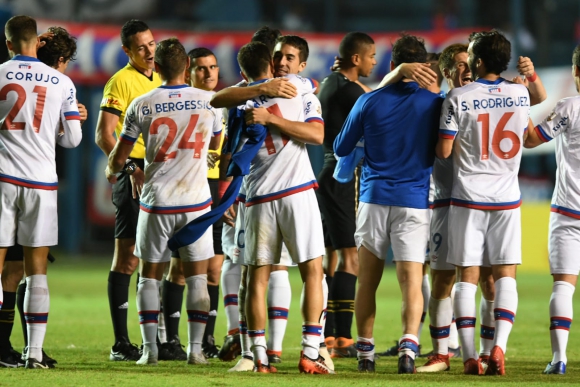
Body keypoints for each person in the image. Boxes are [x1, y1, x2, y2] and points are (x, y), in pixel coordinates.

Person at [417, 44, 547, 373]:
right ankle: (497, 347)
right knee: (504, 278)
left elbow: (444, 151)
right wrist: (529, 78)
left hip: (467, 198)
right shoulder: (518, 94)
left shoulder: (457, 100)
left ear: (477, 61)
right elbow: (534, 108)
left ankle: (472, 356)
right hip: (506, 199)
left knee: (468, 278)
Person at [106, 37, 223, 366]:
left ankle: (149, 351)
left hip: (157, 201)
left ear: (156, 68)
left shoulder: (142, 104)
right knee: (198, 277)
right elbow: (215, 145)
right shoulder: (209, 101)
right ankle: (196, 350)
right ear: (187, 66)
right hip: (196, 203)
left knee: (149, 276)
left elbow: (119, 158)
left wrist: (125, 167)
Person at [335, 34, 443, 374]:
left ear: (392, 65)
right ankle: (408, 351)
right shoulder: (435, 103)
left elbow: (340, 147)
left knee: (367, 280)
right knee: (412, 281)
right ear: (424, 66)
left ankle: (365, 354)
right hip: (413, 201)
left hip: (374, 199)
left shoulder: (369, 101)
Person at [234, 41, 331, 374]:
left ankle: (272, 353)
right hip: (289, 194)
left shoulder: (241, 97)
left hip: (266, 196)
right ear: (268, 61)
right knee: (301, 274)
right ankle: (296, 352)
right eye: (278, 56)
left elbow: (216, 100)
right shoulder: (302, 91)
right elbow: (317, 135)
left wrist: (267, 117)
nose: (283, 62)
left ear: (302, 64)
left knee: (265, 278)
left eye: (290, 57)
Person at [0, 25, 88, 369]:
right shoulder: (61, 82)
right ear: (36, 40)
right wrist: (62, 122)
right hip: (40, 183)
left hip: (3, 178)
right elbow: (72, 141)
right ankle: (33, 354)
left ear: (8, 43)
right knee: (35, 271)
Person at [95, 19, 166, 362]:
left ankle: (162, 340)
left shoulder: (166, 77)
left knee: (166, 260)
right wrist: (129, 169)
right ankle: (121, 342)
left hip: (165, 174)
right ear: (126, 51)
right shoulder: (120, 81)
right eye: (141, 47)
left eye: (152, 43)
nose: (150, 51)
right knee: (128, 257)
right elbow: (104, 134)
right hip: (134, 173)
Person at [316, 31, 376, 358]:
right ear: (356, 58)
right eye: (371, 56)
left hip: (326, 175)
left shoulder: (330, 83)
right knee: (351, 257)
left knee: (333, 258)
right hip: (344, 175)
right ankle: (343, 338)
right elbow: (376, 103)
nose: (374, 61)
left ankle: (328, 336)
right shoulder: (351, 90)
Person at [523, 45, 580, 375]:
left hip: (568, 211)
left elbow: (532, 140)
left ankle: (559, 358)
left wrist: (519, 109)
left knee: (563, 286)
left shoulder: (569, 107)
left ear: (575, 72)